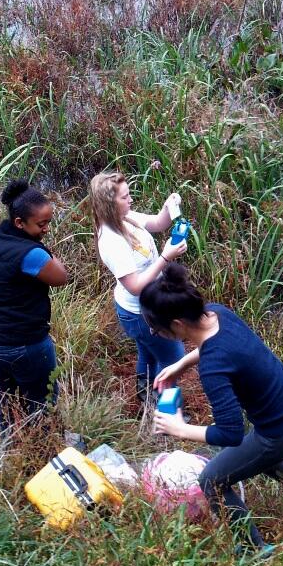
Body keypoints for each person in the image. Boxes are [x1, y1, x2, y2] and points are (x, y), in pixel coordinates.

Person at [145, 263, 283, 554]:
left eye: (156, 328)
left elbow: (230, 434)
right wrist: (180, 363)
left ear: (177, 324)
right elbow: (218, 347)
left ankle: (254, 550)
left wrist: (180, 429)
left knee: (212, 480)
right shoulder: (217, 313)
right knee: (256, 452)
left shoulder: (214, 368)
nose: (155, 332)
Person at [0, 179, 69, 430]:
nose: (46, 229)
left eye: (49, 223)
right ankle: (41, 450)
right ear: (19, 223)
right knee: (42, 400)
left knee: (6, 393)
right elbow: (61, 277)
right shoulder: (31, 253)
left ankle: (9, 440)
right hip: (19, 343)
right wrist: (43, 249)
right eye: (41, 224)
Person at [88, 170, 188, 407]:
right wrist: (165, 257)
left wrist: (167, 207)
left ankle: (146, 397)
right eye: (124, 197)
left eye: (129, 194)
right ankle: (168, 414)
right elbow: (134, 286)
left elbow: (156, 223)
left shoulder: (126, 217)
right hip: (140, 312)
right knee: (173, 361)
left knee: (148, 353)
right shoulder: (111, 240)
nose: (130, 199)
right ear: (109, 204)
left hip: (145, 307)